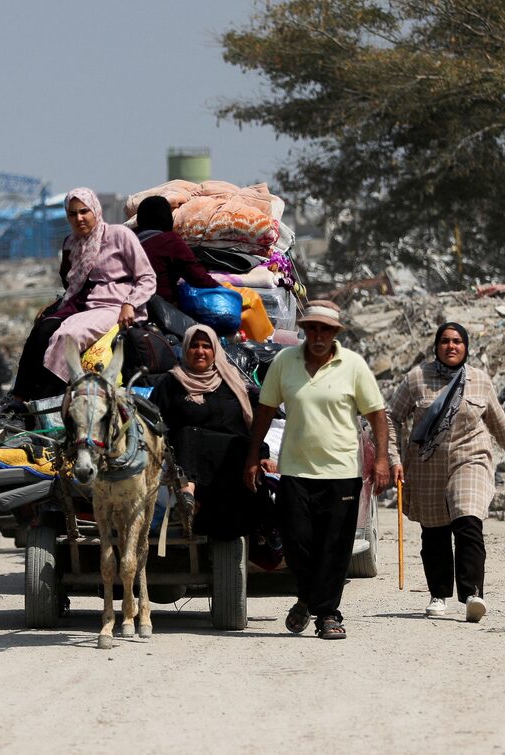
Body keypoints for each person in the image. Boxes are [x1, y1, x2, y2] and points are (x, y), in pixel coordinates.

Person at [244, 300, 390, 640]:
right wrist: (252, 455)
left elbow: (377, 414)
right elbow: (265, 411)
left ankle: (327, 614)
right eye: (312, 328)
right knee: (296, 543)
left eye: (325, 329)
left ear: (335, 333)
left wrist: (382, 459)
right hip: (295, 471)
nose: (319, 335)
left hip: (342, 473)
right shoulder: (285, 362)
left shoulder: (353, 365)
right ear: (305, 331)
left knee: (334, 547)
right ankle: (308, 596)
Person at [387, 322, 505, 622]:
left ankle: (473, 593)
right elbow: (392, 417)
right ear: (436, 346)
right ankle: (438, 594)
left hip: (471, 459)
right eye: (445, 341)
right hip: (427, 465)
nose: (451, 346)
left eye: (457, 341)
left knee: (468, 520)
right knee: (434, 531)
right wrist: (394, 458)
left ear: (466, 347)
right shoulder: (416, 379)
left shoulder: (480, 380)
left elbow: (499, 423)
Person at [10, 187, 156, 402]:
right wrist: (56, 304)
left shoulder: (119, 235)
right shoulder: (71, 243)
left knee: (66, 337)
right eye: (72, 214)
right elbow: (71, 283)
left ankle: (47, 399)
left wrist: (130, 304)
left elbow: (147, 277)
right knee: (42, 330)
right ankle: (20, 396)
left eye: (84, 211)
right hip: (81, 302)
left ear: (95, 210)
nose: (79, 218)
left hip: (114, 303)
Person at [151, 324, 275, 540]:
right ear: (185, 349)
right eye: (194, 346)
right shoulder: (170, 383)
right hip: (189, 463)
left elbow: (250, 425)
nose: (200, 351)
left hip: (230, 459)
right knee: (188, 434)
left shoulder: (232, 381)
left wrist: (262, 454)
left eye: (206, 346)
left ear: (215, 350)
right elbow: (152, 424)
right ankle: (186, 498)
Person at [133, 195, 219, 305]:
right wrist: (222, 289)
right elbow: (197, 276)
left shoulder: (126, 239)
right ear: (167, 218)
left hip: (125, 304)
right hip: (158, 307)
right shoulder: (170, 241)